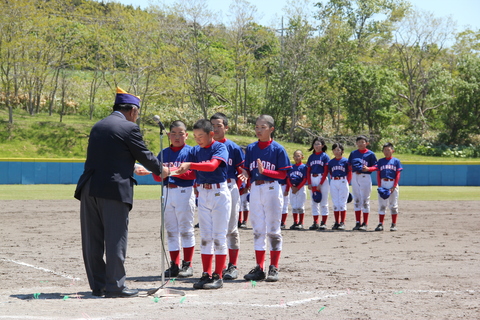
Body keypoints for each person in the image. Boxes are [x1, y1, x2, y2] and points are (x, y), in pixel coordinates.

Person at [74, 87, 168, 298]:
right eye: (137, 113)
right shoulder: (128, 128)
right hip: (113, 190)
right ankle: (115, 286)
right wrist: (162, 170)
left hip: (89, 187)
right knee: (116, 238)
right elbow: (144, 155)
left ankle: (99, 286)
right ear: (133, 111)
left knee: (92, 240)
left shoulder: (98, 125)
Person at [175, 119, 231, 290]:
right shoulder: (195, 150)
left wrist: (190, 165)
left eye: (201, 136)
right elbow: (185, 171)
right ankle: (206, 273)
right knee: (206, 237)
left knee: (219, 237)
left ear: (211, 134)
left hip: (219, 193)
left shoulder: (219, 148)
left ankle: (218, 275)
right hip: (203, 193)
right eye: (195, 136)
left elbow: (213, 166)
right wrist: (162, 171)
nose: (198, 139)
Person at [239, 115, 292, 282]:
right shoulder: (252, 148)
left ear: (271, 129)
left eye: (262, 127)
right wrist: (245, 174)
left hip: (272, 188)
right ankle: (259, 268)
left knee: (273, 230)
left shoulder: (278, 149)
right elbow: (247, 170)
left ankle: (273, 267)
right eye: (256, 127)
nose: (258, 130)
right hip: (255, 189)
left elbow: (283, 174)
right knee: (258, 230)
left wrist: (266, 171)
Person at [152, 120, 196, 278]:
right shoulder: (163, 153)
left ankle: (188, 264)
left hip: (184, 191)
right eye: (174, 134)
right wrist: (167, 172)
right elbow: (156, 177)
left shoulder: (191, 152)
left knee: (186, 229)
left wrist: (169, 171)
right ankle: (174, 264)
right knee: (171, 231)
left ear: (186, 135)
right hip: (167, 192)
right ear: (169, 135)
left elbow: (193, 173)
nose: (177, 137)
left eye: (181, 133)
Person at [210, 112, 245, 280]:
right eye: (213, 126)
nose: (215, 129)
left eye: (219, 125)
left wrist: (237, 187)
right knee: (214, 229)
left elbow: (242, 170)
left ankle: (232, 265)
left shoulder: (233, 147)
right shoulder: (205, 146)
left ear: (226, 128)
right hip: (209, 189)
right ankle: (218, 266)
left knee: (231, 228)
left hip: (229, 187)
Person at [348, 135, 377, 231]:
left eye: (363, 142)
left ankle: (365, 223)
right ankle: (357, 223)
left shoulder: (370, 154)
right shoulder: (353, 153)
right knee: (356, 200)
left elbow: (376, 166)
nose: (360, 144)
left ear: (367, 143)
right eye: (359, 142)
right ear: (356, 143)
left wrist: (369, 168)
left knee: (365, 200)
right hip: (355, 177)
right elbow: (349, 165)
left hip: (365, 176)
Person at [373, 143, 403, 232]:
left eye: (388, 150)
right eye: (385, 150)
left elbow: (398, 174)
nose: (386, 152)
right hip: (383, 183)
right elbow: (378, 174)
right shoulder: (380, 161)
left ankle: (393, 224)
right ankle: (380, 224)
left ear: (392, 151)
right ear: (382, 151)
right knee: (382, 205)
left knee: (393, 205)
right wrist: (379, 185)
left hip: (392, 182)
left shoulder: (396, 161)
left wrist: (394, 185)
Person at [306, 137, 331, 230]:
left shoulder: (325, 156)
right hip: (312, 178)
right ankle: (315, 222)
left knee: (323, 202)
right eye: (315, 144)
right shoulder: (311, 157)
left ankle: (323, 222)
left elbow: (325, 171)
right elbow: (308, 170)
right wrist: (309, 182)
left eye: (318, 144)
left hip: (322, 178)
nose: (316, 146)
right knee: (314, 201)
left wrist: (321, 183)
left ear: (322, 146)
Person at [328, 143, 352, 230]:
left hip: (343, 180)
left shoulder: (346, 161)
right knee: (335, 203)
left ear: (342, 151)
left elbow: (349, 172)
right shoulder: (331, 162)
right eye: (334, 150)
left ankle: (342, 222)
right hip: (334, 181)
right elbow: (330, 172)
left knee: (342, 203)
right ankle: (336, 222)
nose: (336, 151)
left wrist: (347, 182)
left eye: (338, 149)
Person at [287, 150, 308, 230]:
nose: (297, 157)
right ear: (293, 157)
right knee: (294, 206)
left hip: (301, 188)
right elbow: (288, 178)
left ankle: (301, 223)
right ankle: (295, 222)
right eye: (295, 156)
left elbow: (305, 179)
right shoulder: (291, 167)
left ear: (302, 157)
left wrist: (298, 188)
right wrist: (291, 187)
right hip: (293, 188)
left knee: (300, 206)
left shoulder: (303, 167)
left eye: (298, 156)